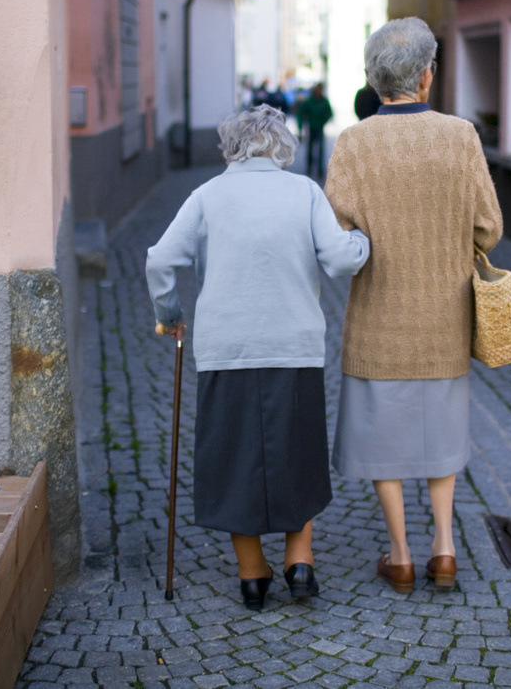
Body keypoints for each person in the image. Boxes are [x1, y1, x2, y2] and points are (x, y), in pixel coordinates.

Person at [146, 105, 370, 610]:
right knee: (299, 453)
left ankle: (252, 574)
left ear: (231, 148)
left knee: (231, 458)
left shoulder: (207, 196)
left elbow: (160, 258)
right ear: (282, 146)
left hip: (228, 349)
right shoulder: (305, 192)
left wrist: (171, 311)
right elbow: (339, 259)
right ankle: (300, 560)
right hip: (293, 347)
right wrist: (361, 242)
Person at [324, 17, 503, 594]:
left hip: (379, 315)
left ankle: (400, 554)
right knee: (442, 430)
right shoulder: (461, 135)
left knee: (382, 435)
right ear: (427, 76)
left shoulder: (353, 143)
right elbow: (489, 227)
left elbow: (336, 231)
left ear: (376, 82)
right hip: (445, 316)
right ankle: (444, 548)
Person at [295, 82, 333, 179]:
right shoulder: (309, 102)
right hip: (311, 127)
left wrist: (323, 120)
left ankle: (320, 170)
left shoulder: (323, 101)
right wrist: (300, 126)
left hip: (319, 128)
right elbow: (301, 114)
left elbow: (330, 113)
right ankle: (309, 168)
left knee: (320, 150)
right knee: (310, 150)